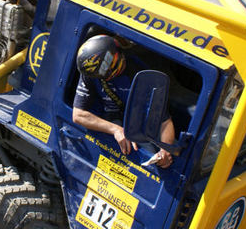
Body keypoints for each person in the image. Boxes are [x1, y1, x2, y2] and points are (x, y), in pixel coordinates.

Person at [72, 34, 175, 168]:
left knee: (154, 154)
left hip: (140, 121)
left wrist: (165, 151)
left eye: (104, 72)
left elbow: (165, 121)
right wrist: (116, 130)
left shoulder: (142, 75)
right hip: (111, 118)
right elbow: (78, 115)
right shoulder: (91, 71)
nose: (102, 77)